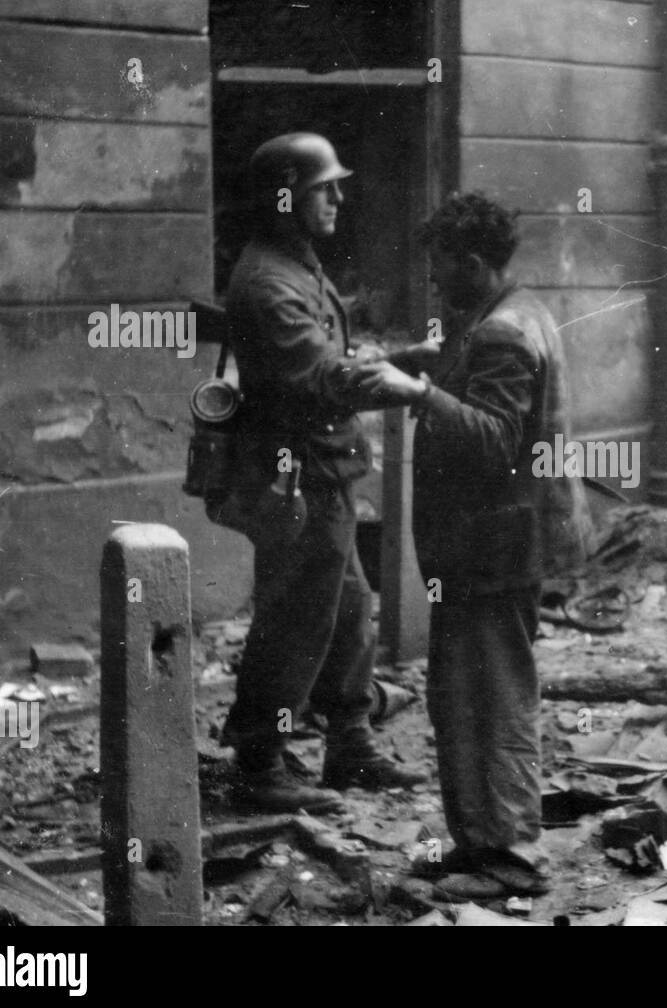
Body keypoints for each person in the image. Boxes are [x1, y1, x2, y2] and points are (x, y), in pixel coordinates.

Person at [357, 192, 592, 899]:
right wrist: (432, 367)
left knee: (493, 700)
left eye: (440, 265)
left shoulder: (502, 333)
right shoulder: (516, 314)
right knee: (462, 696)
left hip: (496, 548)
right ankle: (481, 844)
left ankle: (510, 860)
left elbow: (494, 439)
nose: (432, 278)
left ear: (473, 263)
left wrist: (415, 391)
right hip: (489, 546)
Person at [220, 132, 426, 813]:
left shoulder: (295, 265)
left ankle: (351, 744)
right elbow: (319, 375)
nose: (339, 197)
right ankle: (259, 759)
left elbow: (327, 357)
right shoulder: (269, 282)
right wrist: (407, 382)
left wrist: (403, 355)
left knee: (347, 611)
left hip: (320, 472)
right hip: (298, 480)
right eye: (324, 187)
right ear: (285, 196)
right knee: (296, 619)